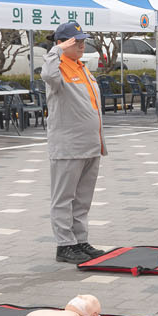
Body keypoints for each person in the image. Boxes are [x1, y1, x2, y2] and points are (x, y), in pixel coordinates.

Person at [43, 21, 108, 264]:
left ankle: (80, 240)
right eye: (75, 41)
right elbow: (47, 74)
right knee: (64, 198)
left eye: (82, 40)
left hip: (90, 144)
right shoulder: (57, 68)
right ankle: (65, 244)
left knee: (82, 199)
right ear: (62, 43)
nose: (81, 45)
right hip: (69, 146)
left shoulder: (82, 68)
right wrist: (56, 50)